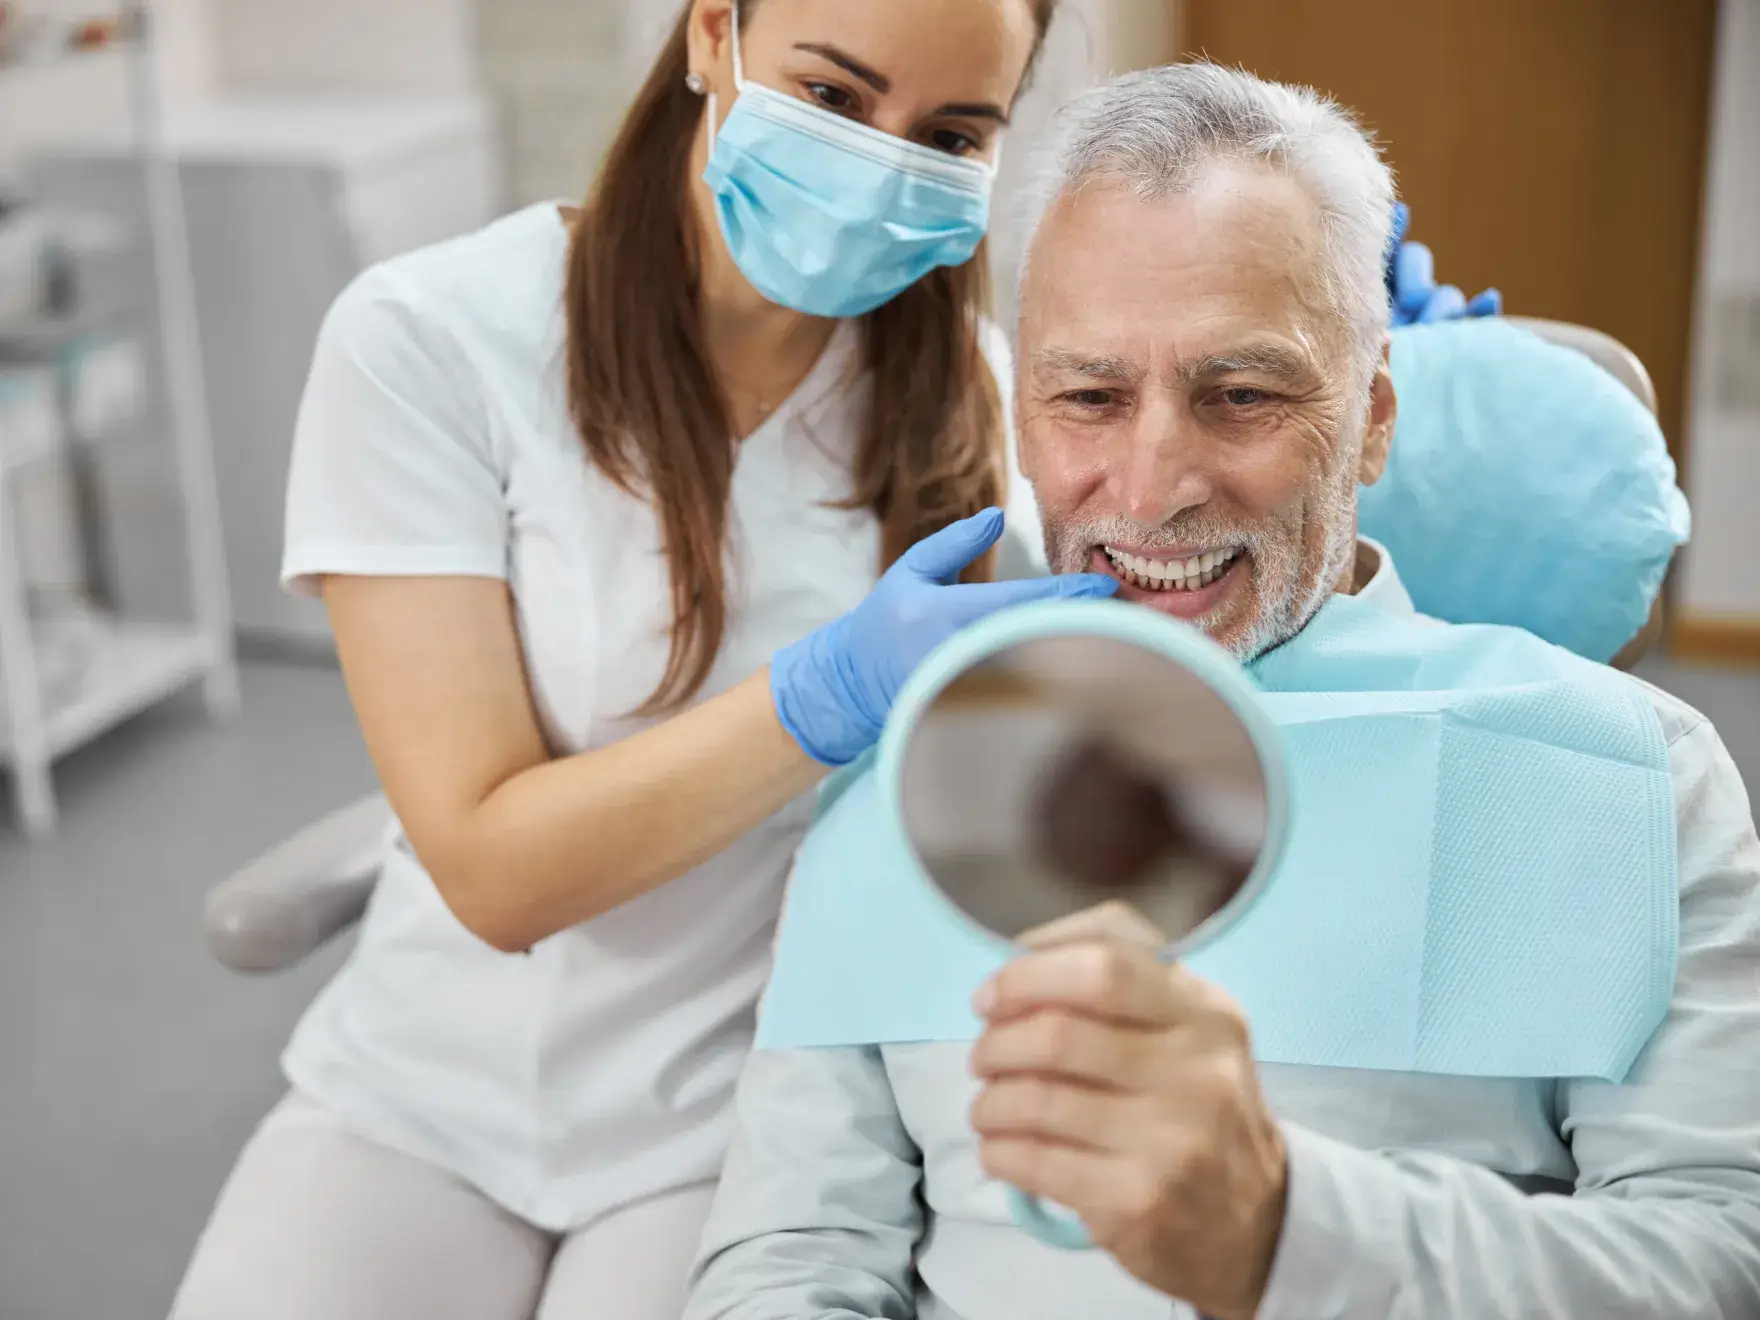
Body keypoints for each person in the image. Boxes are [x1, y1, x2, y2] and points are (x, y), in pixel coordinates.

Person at [684, 63, 1760, 1319]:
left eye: (1238, 396)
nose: (1148, 492)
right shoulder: (905, 772)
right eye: (1088, 398)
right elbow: (791, 1255)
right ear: (1021, 416)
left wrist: (1286, 1230)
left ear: (1368, 419)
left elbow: (1718, 1259)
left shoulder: (1626, 772)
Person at [169, 2, 1116, 1318]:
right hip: (421, 1093)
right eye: (837, 99)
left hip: (733, 1118)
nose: (884, 164)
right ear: (712, 35)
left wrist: (1362, 376)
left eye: (950, 133)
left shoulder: (971, 397)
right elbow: (495, 873)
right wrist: (824, 694)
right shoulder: (434, 341)